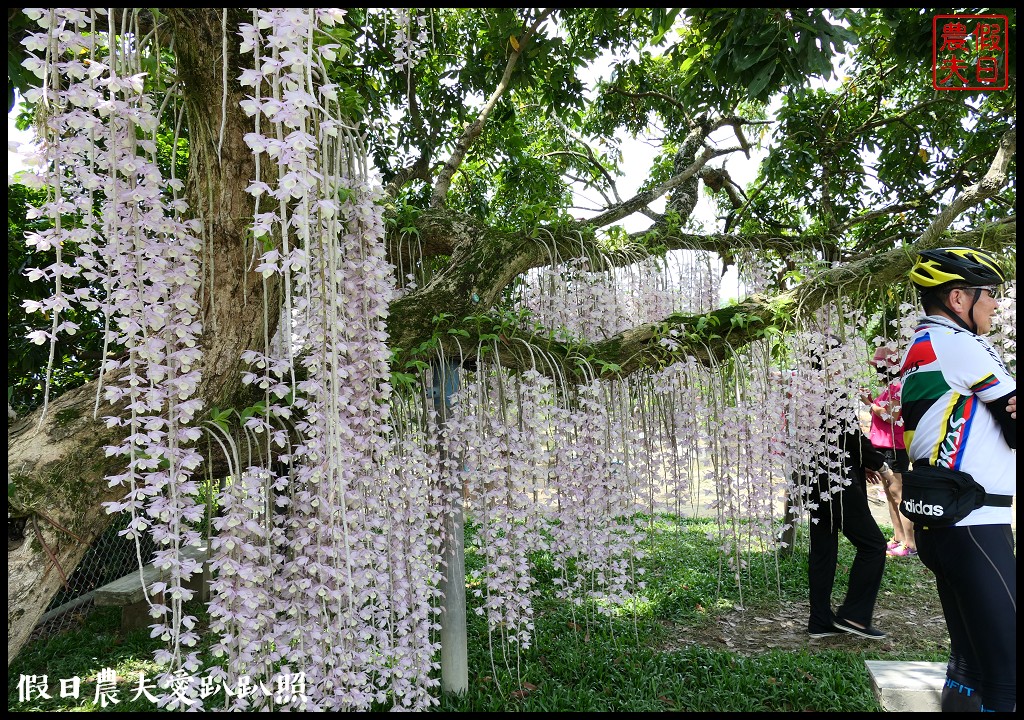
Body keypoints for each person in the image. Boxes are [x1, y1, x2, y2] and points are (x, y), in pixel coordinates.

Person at [900, 246, 1016, 713]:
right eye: (989, 294)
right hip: (975, 525)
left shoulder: (923, 343)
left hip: (943, 525)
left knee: (968, 665)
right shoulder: (963, 344)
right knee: (1008, 673)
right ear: (957, 299)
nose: (994, 304)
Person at [805, 344, 896, 641]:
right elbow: (851, 436)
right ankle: (855, 616)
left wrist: (861, 463)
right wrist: (880, 465)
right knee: (872, 545)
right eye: (842, 360)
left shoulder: (805, 393)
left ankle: (820, 619)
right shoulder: (832, 393)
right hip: (838, 484)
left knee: (823, 551)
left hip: (814, 481)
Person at [859, 346, 916, 558]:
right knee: (889, 492)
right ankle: (898, 537)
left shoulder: (897, 387)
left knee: (898, 492)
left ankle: (910, 541)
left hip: (894, 445)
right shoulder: (890, 388)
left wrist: (869, 403)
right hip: (883, 444)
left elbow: (890, 417)